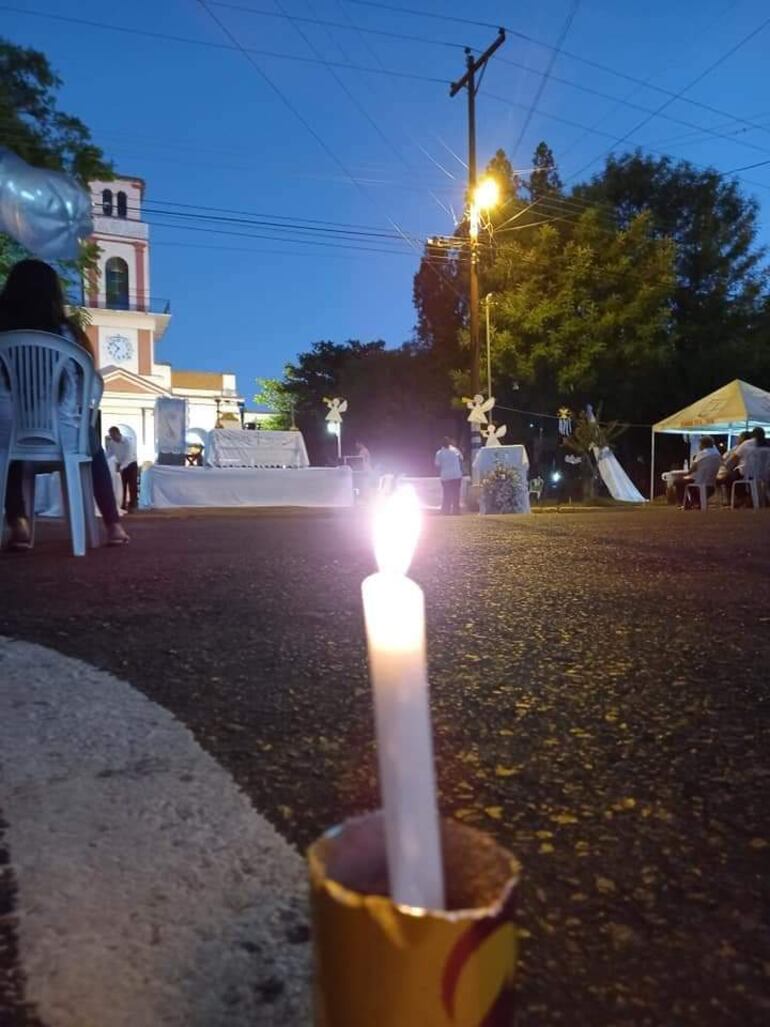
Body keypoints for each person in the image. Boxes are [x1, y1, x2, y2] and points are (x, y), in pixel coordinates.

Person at [0, 259, 129, 550]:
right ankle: (113, 523)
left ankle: (18, 520)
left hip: (7, 437)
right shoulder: (70, 336)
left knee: (8, 440)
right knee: (90, 438)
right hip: (64, 437)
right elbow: (86, 391)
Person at [722, 426, 766, 507]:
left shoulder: (747, 443)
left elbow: (733, 459)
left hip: (747, 471)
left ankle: (741, 498)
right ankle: (752, 498)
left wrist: (727, 468)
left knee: (728, 478)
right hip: (764, 474)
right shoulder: (767, 444)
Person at [675, 435, 721, 508]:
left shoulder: (702, 454)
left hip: (700, 483)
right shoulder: (717, 454)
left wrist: (687, 473)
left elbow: (692, 469)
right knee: (689, 481)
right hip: (712, 484)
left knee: (679, 481)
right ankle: (696, 502)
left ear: (703, 444)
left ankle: (684, 503)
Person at [106, 426, 139, 511]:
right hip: (120, 464)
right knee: (122, 485)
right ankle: (122, 504)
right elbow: (109, 454)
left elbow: (128, 457)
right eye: (111, 436)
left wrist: (121, 468)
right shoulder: (112, 443)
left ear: (118, 433)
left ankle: (133, 505)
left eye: (113, 436)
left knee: (132, 486)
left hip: (131, 465)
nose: (112, 438)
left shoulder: (128, 442)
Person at [434, 436, 463, 515]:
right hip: (456, 475)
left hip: (445, 476)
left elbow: (437, 464)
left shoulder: (439, 453)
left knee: (446, 494)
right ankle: (456, 511)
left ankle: (445, 511)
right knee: (456, 494)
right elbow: (461, 459)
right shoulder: (455, 451)